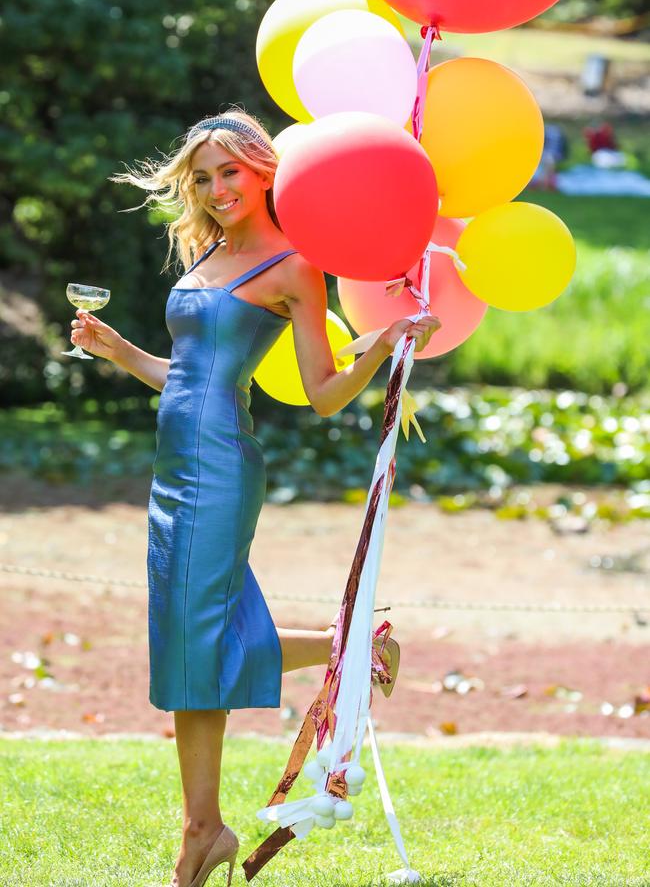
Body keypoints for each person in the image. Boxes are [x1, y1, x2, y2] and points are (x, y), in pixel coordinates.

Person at [68, 108, 440, 887]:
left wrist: (379, 340)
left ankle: (351, 652)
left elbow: (325, 393)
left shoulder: (295, 265)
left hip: (221, 466)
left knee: (196, 631)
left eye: (228, 171)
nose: (215, 187)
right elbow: (183, 376)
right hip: (175, 465)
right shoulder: (208, 250)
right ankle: (202, 828)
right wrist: (113, 349)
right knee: (182, 637)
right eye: (202, 177)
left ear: (265, 169)